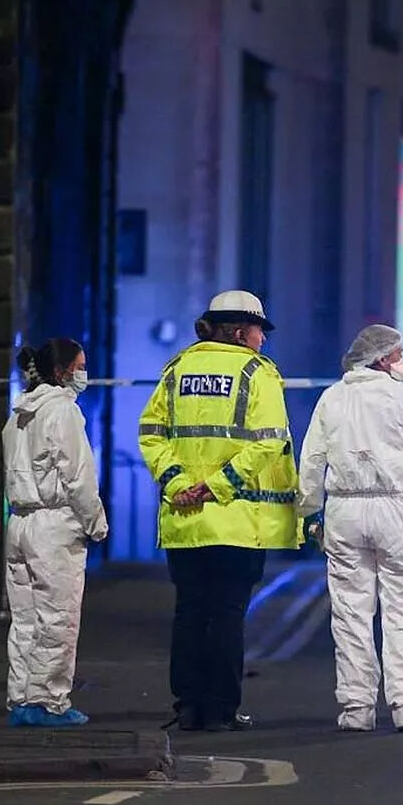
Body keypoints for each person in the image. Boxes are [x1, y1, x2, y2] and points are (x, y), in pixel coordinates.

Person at [139, 290, 301, 732]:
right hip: (236, 521)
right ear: (239, 331)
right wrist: (217, 487)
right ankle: (220, 712)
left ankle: (187, 707)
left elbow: (152, 434)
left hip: (185, 522)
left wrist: (178, 485)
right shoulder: (257, 372)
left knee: (189, 613)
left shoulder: (177, 369)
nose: (262, 341)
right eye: (258, 331)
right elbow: (269, 441)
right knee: (228, 615)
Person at [298, 324, 403, 733]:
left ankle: (356, 708)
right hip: (396, 506)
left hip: (345, 508)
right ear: (382, 360)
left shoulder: (332, 397)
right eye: (398, 353)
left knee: (349, 612)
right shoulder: (400, 394)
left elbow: (311, 459)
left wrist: (311, 512)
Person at [3, 338, 108, 727]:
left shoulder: (18, 414)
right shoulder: (62, 411)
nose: (84, 372)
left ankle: (21, 699)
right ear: (63, 371)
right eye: (80, 365)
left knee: (25, 619)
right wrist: (96, 524)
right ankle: (49, 701)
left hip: (19, 522)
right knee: (57, 616)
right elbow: (78, 476)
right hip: (54, 524)